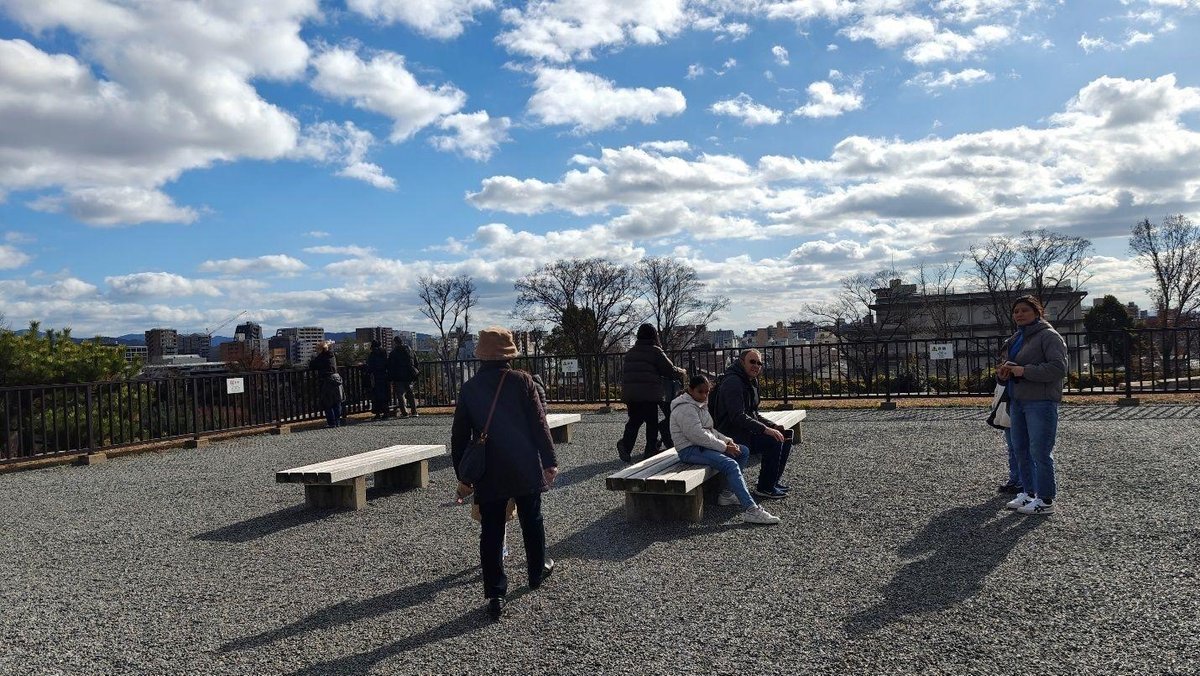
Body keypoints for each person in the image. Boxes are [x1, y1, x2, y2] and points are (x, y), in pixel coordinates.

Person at [451, 327, 558, 621]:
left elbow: (459, 435)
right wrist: (549, 460)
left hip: (489, 468)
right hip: (523, 461)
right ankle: (536, 572)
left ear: (481, 356)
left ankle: (495, 592)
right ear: (509, 354)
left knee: (492, 529)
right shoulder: (522, 381)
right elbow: (540, 424)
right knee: (532, 519)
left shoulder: (470, 389)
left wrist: (463, 474)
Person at [670, 375, 781, 525]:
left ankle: (727, 494)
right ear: (690, 390)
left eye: (707, 392)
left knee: (743, 451)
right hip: (689, 450)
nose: (704, 395)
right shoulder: (685, 408)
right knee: (730, 464)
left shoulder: (699, 404)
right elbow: (698, 436)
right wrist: (724, 447)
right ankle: (751, 510)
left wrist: (727, 440)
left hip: (700, 446)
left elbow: (710, 430)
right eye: (700, 391)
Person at [997, 295, 1067, 515]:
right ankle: (1029, 492)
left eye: (1024, 310)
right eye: (1016, 311)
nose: (1019, 314)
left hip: (1041, 401)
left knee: (1040, 450)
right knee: (1020, 449)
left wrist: (1023, 371)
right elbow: (1013, 369)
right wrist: (1003, 374)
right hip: (1017, 399)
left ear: (1037, 312)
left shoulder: (1049, 336)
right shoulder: (1017, 337)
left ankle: (1045, 499)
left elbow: (1058, 368)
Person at [714, 349, 792, 500]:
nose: (756, 366)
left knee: (784, 436)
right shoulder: (733, 382)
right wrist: (765, 430)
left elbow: (753, 413)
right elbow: (737, 416)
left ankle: (772, 481)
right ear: (742, 362)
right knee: (773, 441)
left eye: (759, 363)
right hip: (731, 435)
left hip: (744, 431)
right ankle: (765, 488)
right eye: (752, 362)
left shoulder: (750, 381)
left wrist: (772, 426)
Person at [617, 324, 686, 462]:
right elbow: (670, 370)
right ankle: (650, 450)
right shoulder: (655, 351)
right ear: (654, 335)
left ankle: (625, 445)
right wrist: (682, 372)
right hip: (648, 393)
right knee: (652, 422)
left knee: (635, 420)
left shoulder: (631, 352)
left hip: (630, 393)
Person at [308, 340, 343, 427]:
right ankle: (337, 421)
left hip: (327, 380)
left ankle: (331, 422)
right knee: (337, 401)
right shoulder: (332, 356)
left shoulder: (321, 357)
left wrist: (314, 357)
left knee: (328, 403)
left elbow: (312, 365)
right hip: (336, 379)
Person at [387, 336, 419, 417]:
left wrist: (391, 377)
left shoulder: (393, 353)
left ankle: (405, 413)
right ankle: (414, 411)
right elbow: (416, 362)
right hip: (409, 376)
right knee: (411, 394)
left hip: (398, 377)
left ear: (395, 343)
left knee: (400, 395)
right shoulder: (410, 350)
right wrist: (415, 372)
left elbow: (390, 366)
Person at [365, 339, 390, 419]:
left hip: (375, 377)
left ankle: (378, 413)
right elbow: (387, 364)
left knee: (376, 396)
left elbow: (370, 366)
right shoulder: (384, 353)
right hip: (384, 376)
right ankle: (386, 412)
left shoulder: (372, 354)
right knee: (384, 395)